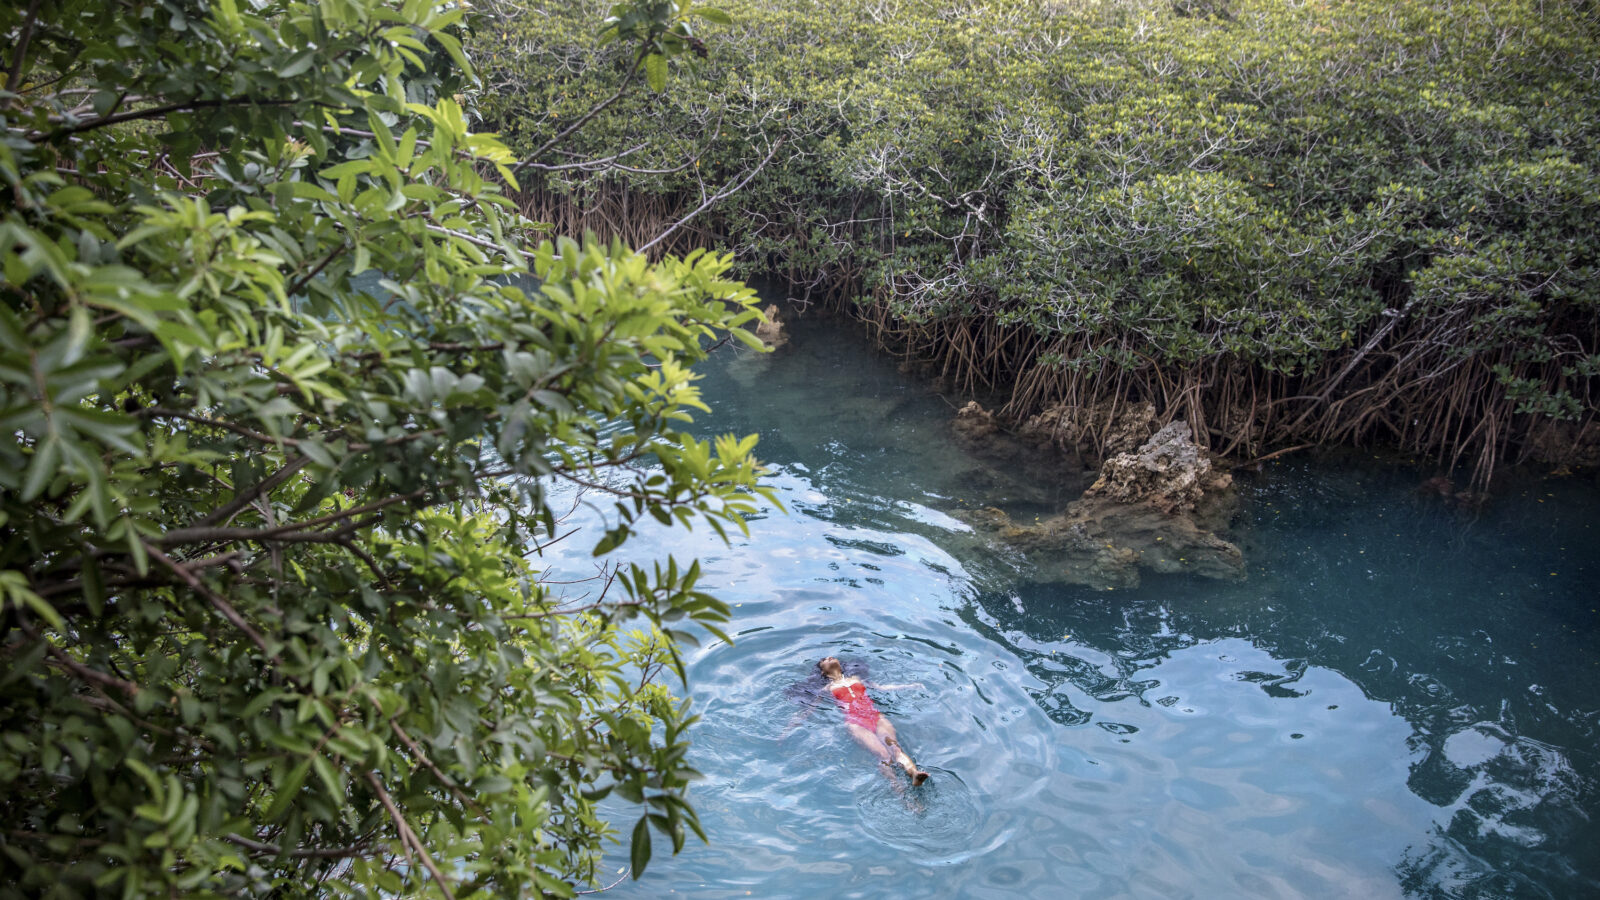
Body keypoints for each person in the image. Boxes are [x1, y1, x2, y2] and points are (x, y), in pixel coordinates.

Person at [788, 656, 929, 785]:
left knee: (895, 748)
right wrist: (788, 728)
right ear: (823, 673)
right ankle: (898, 788)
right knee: (884, 755)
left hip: (875, 716)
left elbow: (882, 688)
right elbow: (809, 709)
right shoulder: (827, 688)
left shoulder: (856, 678)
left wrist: (910, 686)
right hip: (856, 723)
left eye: (831, 657)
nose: (829, 657)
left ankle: (914, 774)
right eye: (824, 660)